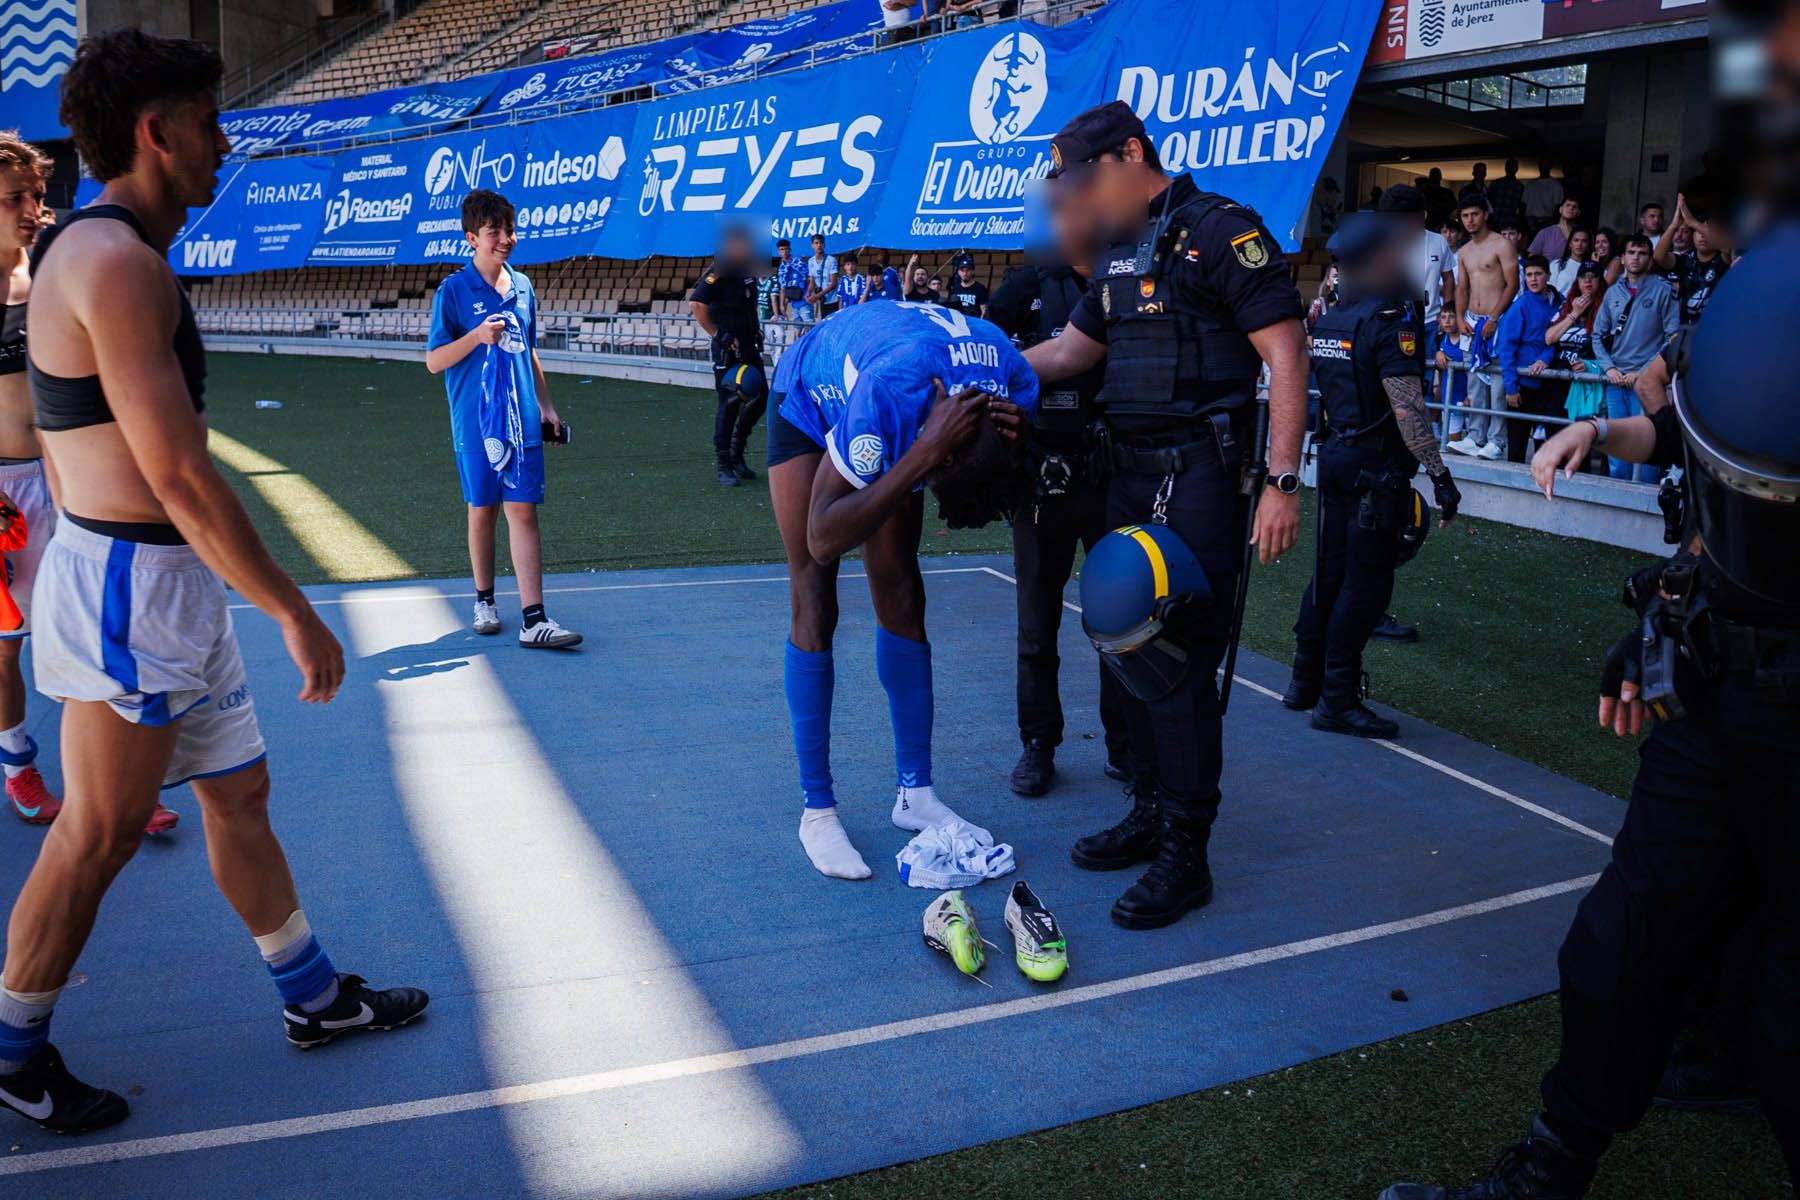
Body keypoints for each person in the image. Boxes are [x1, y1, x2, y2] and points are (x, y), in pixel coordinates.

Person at [0, 30, 429, 1136]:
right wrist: (294, 609)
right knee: (95, 832)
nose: (223, 140)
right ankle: (13, 1051)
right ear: (155, 132)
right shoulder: (114, 262)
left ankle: (313, 998)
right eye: (207, 117)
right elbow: (181, 475)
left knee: (237, 795)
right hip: (134, 593)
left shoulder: (112, 253)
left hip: (157, 590)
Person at [1383, 218, 1799, 1200]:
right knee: (1624, 941)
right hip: (1719, 686)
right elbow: (1705, 441)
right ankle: (1549, 1169)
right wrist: (1604, 434)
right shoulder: (1761, 273)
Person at [1022, 101, 1307, 930]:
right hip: (1126, 475)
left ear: (1131, 154)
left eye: (1082, 181)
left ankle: (1188, 851)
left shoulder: (1221, 231)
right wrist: (981, 363)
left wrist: (1282, 483)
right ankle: (1148, 809)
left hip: (1201, 479)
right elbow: (1073, 353)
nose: (1076, 202)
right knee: (1122, 652)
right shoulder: (1113, 253)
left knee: (1174, 661)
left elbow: (1284, 353)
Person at [765, 299, 1037, 880]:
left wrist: (942, 451)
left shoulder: (1013, 376)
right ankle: (817, 811)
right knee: (815, 593)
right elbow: (822, 535)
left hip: (913, 406)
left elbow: (1014, 439)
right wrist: (921, 457)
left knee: (902, 588)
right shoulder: (896, 390)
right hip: (813, 395)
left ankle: (915, 793)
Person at [2, 133, 177, 830]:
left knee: (93, 631)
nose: (32, 208)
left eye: (37, 195)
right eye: (15, 197)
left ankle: (118, 788)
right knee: (7, 650)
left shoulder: (48, 271)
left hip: (62, 478)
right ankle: (18, 764)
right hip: (0, 500)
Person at [1281, 214, 1461, 737]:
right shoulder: (1389, 321)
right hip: (1373, 472)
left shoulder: (1333, 317)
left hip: (1336, 458)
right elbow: (1407, 410)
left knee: (1329, 574)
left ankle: (1302, 681)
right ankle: (1336, 699)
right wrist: (1441, 476)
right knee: (1365, 586)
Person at [985, 195, 1129, 797]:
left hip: (1112, 475)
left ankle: (1126, 747)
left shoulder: (1130, 278)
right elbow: (983, 359)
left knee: (1121, 621)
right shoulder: (1024, 286)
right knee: (1036, 627)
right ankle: (1038, 744)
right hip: (1041, 476)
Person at [427, 190, 582, 647]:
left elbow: (529, 350)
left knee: (524, 511)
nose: (506, 240)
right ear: (472, 238)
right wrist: (476, 336)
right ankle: (484, 601)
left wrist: (547, 407)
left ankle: (534, 619)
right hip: (475, 422)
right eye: (495, 233)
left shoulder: (524, 286)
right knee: (483, 512)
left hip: (522, 421)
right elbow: (434, 361)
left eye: (509, 231)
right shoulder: (453, 291)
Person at [1592, 234, 1680, 481]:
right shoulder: (1611, 292)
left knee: (1648, 450)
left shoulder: (1664, 290)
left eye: (1642, 253)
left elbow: (1672, 336)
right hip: (1616, 381)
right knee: (1618, 451)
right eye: (1631, 252)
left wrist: (1645, 371)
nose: (1636, 258)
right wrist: (1609, 369)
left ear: (1650, 259)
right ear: (1622, 258)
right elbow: (1597, 336)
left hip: (1647, 383)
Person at [687, 225, 768, 488]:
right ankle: (724, 465)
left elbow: (749, 302)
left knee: (762, 397)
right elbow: (697, 305)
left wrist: (755, 328)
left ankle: (737, 452)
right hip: (727, 349)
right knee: (730, 403)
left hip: (747, 345)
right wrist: (718, 335)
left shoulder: (747, 269)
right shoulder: (718, 271)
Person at [1448, 194, 1519, 460]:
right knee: (1474, 384)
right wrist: (1459, 317)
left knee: (1497, 385)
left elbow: (1512, 285)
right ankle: (1475, 436)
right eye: (1465, 216)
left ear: (1485, 215)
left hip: (1497, 321)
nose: (1469, 220)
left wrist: (1494, 318)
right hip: (1471, 320)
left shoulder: (1501, 244)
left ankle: (1496, 440)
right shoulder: (1464, 251)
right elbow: (1461, 287)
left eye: (1474, 214)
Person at [1494, 254, 1561, 464]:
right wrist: (1511, 388)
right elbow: (1506, 349)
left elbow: (1559, 340)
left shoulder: (1559, 302)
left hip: (1549, 385)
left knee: (1545, 446)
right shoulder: (1520, 306)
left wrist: (1546, 358)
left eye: (1538, 274)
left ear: (1548, 275)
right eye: (1529, 275)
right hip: (1522, 386)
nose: (1533, 279)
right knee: (1517, 446)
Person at [1653, 189, 1733, 326]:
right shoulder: (1686, 260)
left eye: (1707, 232)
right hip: (1684, 327)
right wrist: (1674, 225)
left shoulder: (1723, 258)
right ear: (1692, 235)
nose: (1703, 236)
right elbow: (1659, 257)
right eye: (1698, 232)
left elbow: (1729, 248)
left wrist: (1694, 223)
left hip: (1715, 326)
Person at [1544, 261, 1609, 430]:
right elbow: (1549, 338)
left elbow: (1609, 348)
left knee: (1582, 435)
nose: (1588, 281)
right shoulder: (1567, 306)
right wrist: (1575, 314)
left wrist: (1589, 365)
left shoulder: (1608, 308)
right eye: (1583, 277)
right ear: (1577, 281)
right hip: (1559, 380)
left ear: (1600, 280)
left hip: (1587, 382)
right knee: (1555, 432)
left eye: (1593, 277)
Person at [1528, 196, 1582, 261]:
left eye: (1574, 207)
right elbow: (1532, 258)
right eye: (1568, 205)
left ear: (1578, 212)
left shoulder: (1582, 234)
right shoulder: (1545, 232)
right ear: (1560, 209)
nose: (1571, 208)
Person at [1547, 227, 1591, 298]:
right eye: (1576, 240)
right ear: (1570, 244)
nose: (1579, 244)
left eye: (1584, 241)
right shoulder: (1557, 264)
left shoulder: (1590, 267)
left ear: (1588, 245)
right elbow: (1549, 289)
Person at [1522, 159, 1565, 229]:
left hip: (1546, 223)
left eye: (1545, 164)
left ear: (1550, 166)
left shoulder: (1556, 185)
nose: (1543, 167)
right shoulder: (1530, 184)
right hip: (1530, 222)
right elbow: (1523, 205)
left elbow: (1558, 207)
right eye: (1542, 164)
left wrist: (1552, 223)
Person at [943, 253, 988, 318]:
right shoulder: (955, 288)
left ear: (972, 272)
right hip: (959, 321)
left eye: (968, 270)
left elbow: (983, 310)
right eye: (962, 270)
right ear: (958, 272)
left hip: (973, 321)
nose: (965, 273)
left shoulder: (980, 288)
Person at [776, 236, 811, 321]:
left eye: (786, 249)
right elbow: (783, 288)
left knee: (808, 325)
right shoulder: (781, 268)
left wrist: (809, 293)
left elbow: (810, 278)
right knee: (797, 328)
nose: (784, 251)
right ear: (778, 252)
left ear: (790, 250)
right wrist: (782, 305)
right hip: (794, 302)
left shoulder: (799, 261)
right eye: (782, 249)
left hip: (805, 300)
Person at [803, 233, 836, 321]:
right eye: (816, 243)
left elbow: (833, 284)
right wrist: (808, 292)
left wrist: (816, 296)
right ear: (812, 245)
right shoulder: (811, 261)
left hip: (833, 299)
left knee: (833, 324)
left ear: (824, 244)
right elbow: (812, 281)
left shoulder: (831, 260)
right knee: (824, 323)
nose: (819, 245)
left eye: (821, 243)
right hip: (822, 299)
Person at [1488, 157, 1526, 228]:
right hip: (1494, 222)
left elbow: (1522, 208)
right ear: (1505, 167)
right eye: (1509, 166)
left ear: (1516, 169)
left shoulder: (1520, 187)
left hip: (1509, 223)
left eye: (1513, 166)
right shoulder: (1496, 184)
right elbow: (1488, 203)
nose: (1510, 168)